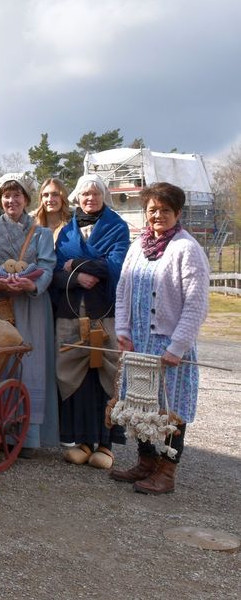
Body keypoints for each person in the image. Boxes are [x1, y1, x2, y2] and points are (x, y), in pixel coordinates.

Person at [110, 182, 209, 495]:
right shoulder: (137, 246)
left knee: (171, 410)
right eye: (152, 209)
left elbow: (196, 303)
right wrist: (123, 332)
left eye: (165, 210)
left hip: (169, 347)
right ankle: (146, 462)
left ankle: (167, 472)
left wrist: (177, 346)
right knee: (139, 405)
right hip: (138, 344)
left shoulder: (187, 249)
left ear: (177, 213)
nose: (158, 215)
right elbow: (123, 292)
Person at [0, 173, 58, 452]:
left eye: (17, 195)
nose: (12, 200)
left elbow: (47, 265)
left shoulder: (42, 234)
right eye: (7, 196)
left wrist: (31, 283)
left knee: (31, 365)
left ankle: (27, 436)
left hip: (31, 305)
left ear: (26, 199)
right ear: (0, 199)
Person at [52, 174, 130, 469]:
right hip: (72, 313)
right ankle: (82, 441)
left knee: (105, 375)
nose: (90, 199)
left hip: (103, 312)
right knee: (76, 375)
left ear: (104, 196)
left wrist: (77, 264)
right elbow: (56, 274)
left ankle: (106, 444)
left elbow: (116, 265)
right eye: (85, 194)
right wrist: (76, 276)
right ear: (77, 197)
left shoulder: (117, 227)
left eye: (95, 194)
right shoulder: (67, 232)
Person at [33, 177, 71, 243]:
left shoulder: (74, 225)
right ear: (41, 199)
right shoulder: (31, 226)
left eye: (55, 194)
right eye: (45, 195)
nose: (50, 199)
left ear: (63, 198)